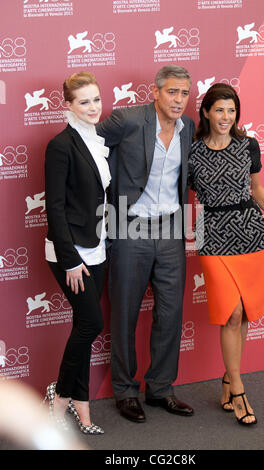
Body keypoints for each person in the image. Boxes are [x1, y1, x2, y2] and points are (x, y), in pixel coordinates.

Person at [96, 65, 195, 422]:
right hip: (130, 225)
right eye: (172, 92)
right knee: (124, 311)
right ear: (155, 92)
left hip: (170, 228)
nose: (179, 100)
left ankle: (161, 389)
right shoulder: (128, 120)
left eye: (184, 93)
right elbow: (87, 146)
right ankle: (125, 391)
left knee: (170, 313)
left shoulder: (188, 129)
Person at [188, 83, 264, 426]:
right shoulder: (192, 151)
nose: (226, 117)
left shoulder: (248, 145)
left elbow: (256, 187)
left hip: (250, 232)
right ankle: (238, 387)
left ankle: (228, 379)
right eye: (219, 110)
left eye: (231, 110)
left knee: (245, 314)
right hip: (213, 234)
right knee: (232, 311)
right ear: (207, 113)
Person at [44, 72, 111, 434]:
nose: (93, 107)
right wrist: (70, 259)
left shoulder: (96, 140)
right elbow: (54, 207)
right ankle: (59, 398)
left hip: (98, 246)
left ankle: (82, 411)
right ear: (67, 105)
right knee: (91, 323)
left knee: (82, 328)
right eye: (84, 101)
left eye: (96, 99)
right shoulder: (60, 145)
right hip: (69, 252)